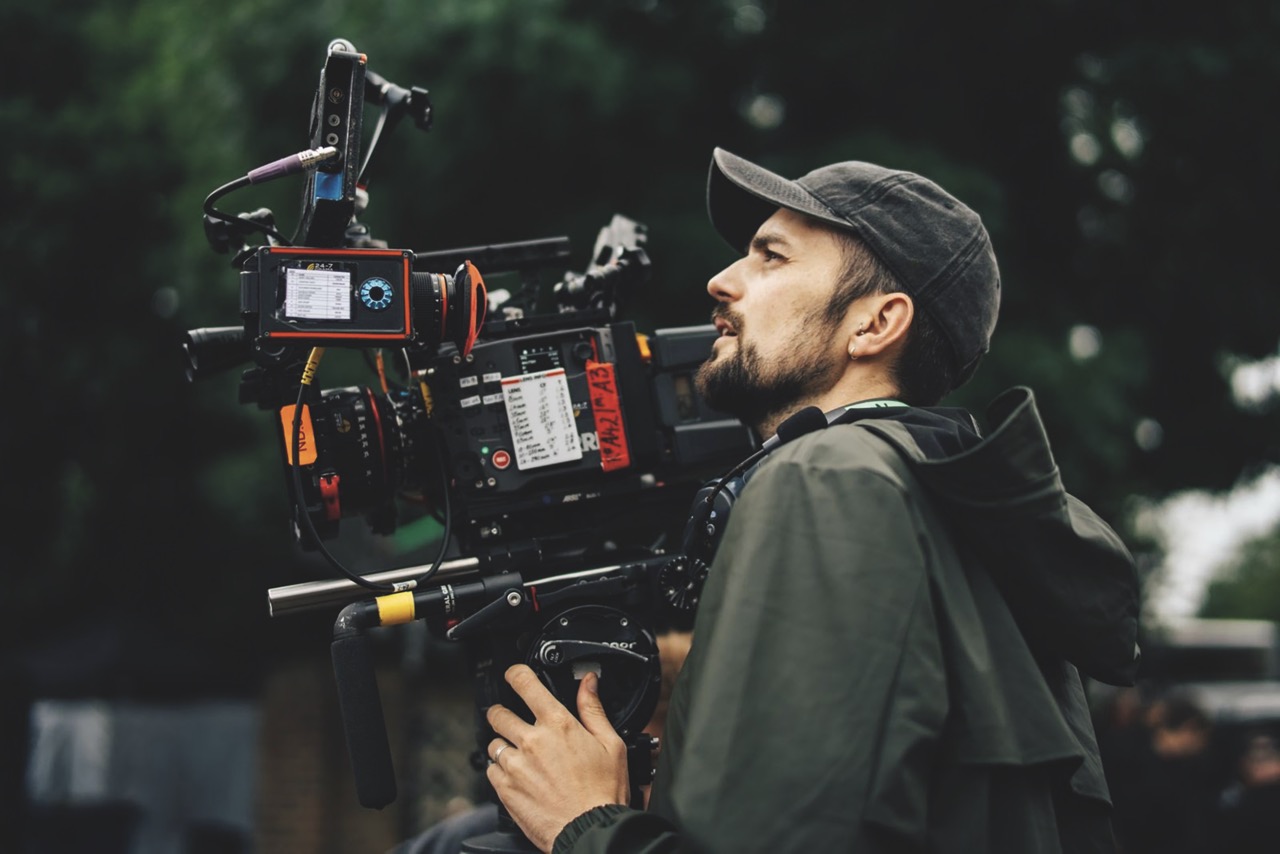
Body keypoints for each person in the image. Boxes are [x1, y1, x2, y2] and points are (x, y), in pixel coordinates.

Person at [481, 147, 1142, 853]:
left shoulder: (827, 477)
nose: (723, 279)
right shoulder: (955, 506)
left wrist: (583, 825)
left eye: (772, 257)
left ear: (874, 325)